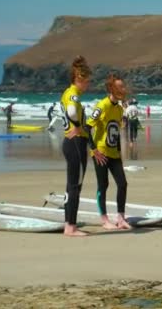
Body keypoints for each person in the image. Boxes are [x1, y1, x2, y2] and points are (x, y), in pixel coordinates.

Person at [85, 73, 131, 230]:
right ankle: (104, 219)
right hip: (101, 153)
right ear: (112, 89)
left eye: (123, 87)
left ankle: (121, 218)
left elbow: (116, 132)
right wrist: (94, 149)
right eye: (120, 87)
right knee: (103, 185)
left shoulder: (119, 109)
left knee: (123, 184)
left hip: (114, 153)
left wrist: (119, 152)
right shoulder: (102, 105)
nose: (123, 89)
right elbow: (87, 127)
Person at [61, 56, 92, 237]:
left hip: (69, 143)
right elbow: (72, 111)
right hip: (76, 143)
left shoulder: (66, 92)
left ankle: (68, 223)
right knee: (75, 186)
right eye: (86, 82)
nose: (87, 85)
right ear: (78, 79)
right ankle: (71, 227)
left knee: (70, 185)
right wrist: (79, 127)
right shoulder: (73, 93)